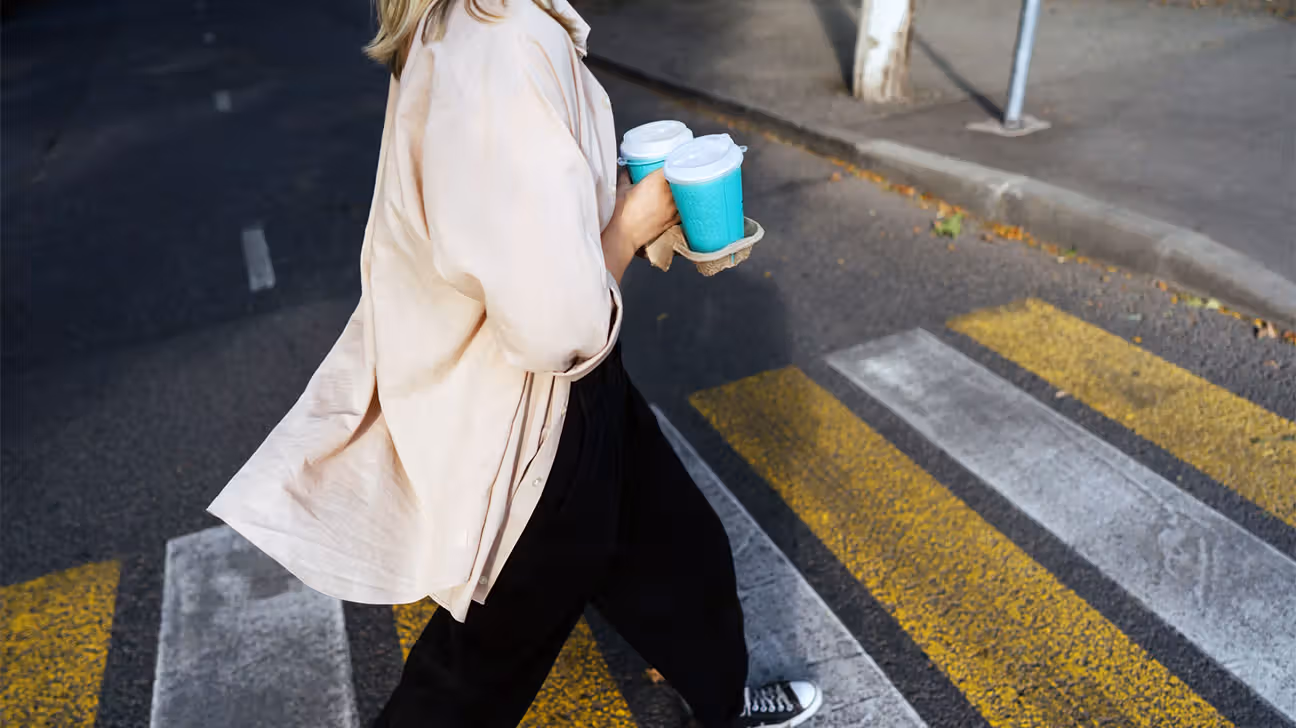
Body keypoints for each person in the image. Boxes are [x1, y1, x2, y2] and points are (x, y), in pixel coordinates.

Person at [208, 0, 823, 725]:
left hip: (569, 391)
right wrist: (631, 226)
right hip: (533, 417)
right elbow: (552, 322)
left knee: (679, 552)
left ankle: (722, 702)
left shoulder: (469, 21)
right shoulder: (503, 41)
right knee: (474, 675)